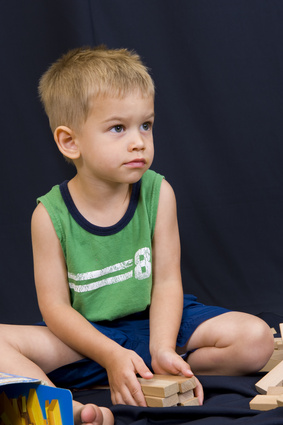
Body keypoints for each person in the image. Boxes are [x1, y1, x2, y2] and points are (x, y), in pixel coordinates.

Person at [0, 46, 274, 424]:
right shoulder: (49, 216)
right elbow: (56, 310)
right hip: (88, 338)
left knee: (255, 338)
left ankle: (162, 370)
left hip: (155, 323)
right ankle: (69, 407)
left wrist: (162, 346)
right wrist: (110, 353)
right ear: (70, 142)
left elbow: (165, 282)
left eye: (146, 125)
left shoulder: (158, 193)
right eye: (118, 128)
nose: (138, 142)